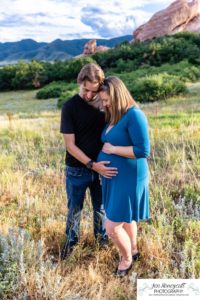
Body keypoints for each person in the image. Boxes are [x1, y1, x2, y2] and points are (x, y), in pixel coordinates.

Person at [60, 63, 118, 260]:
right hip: (77, 169)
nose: (88, 95)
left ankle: (101, 246)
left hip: (103, 168)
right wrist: (92, 165)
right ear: (80, 83)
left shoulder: (105, 105)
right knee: (74, 210)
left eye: (93, 91)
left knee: (100, 210)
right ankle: (70, 247)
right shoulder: (69, 107)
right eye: (85, 89)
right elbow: (70, 146)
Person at [97, 76, 150, 277]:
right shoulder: (115, 115)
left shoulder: (135, 115)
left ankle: (126, 259)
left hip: (130, 177)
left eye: (106, 99)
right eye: (102, 100)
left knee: (111, 226)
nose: (104, 104)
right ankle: (133, 250)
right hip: (115, 178)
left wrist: (113, 149)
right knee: (126, 217)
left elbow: (143, 150)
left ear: (117, 94)